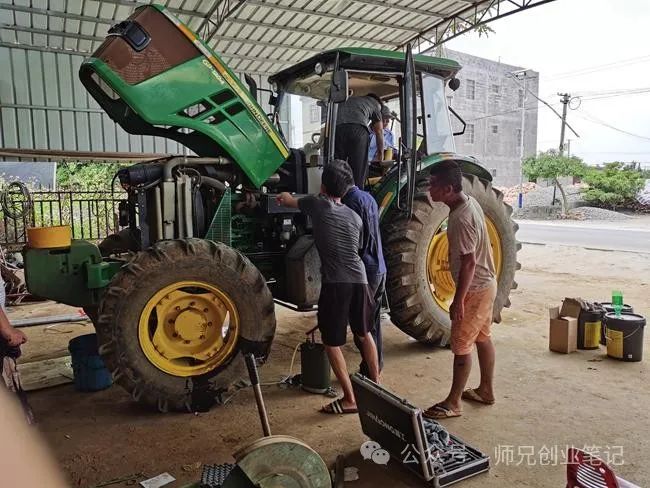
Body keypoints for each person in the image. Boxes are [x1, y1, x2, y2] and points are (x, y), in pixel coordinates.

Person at [276, 162, 380, 415]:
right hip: (361, 280)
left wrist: (281, 194)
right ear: (346, 190)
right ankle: (376, 389)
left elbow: (289, 201)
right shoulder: (355, 217)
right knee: (364, 333)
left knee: (331, 343)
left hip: (337, 284)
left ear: (323, 186)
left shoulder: (318, 204)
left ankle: (350, 399)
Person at [424, 160, 497, 419]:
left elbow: (468, 263)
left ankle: (453, 402)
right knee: (483, 337)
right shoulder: (470, 203)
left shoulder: (461, 218)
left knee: (462, 346)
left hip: (475, 288)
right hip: (487, 284)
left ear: (448, 189)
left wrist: (459, 299)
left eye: (433, 185)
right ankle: (486, 390)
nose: (428, 190)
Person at [339, 161, 386, 377]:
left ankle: (369, 373)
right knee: (372, 322)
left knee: (361, 328)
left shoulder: (349, 203)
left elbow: (355, 242)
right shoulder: (368, 197)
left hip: (365, 271)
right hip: (379, 267)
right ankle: (375, 366)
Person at [334, 93, 384, 187]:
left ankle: (336, 197)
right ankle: (356, 197)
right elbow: (379, 131)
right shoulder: (375, 104)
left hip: (337, 130)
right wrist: (380, 155)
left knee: (338, 169)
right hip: (358, 131)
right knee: (358, 171)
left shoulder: (353, 100)